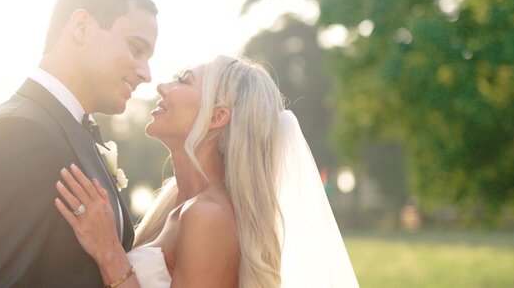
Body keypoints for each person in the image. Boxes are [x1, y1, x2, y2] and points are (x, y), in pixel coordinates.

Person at [56, 56, 359, 287]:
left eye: (183, 81)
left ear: (217, 116)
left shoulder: (209, 215)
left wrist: (109, 251)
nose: (162, 87)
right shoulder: (175, 203)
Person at [0, 0, 158, 287]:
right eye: (136, 48)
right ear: (81, 26)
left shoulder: (70, 129)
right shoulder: (16, 134)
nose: (146, 73)